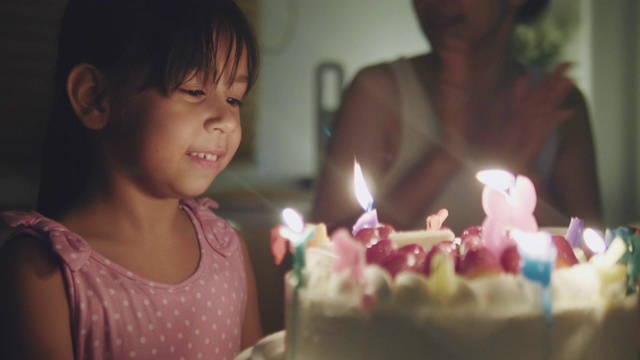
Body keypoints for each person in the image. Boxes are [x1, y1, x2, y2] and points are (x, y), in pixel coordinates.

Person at [0, 0, 263, 358]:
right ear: (95, 97)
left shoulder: (227, 248)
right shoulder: (44, 271)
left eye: (234, 98)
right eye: (194, 90)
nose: (226, 120)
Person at [312, 0, 602, 234]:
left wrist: (524, 173)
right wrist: (445, 154)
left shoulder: (556, 107)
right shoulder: (377, 92)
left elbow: (597, 259)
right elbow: (318, 252)